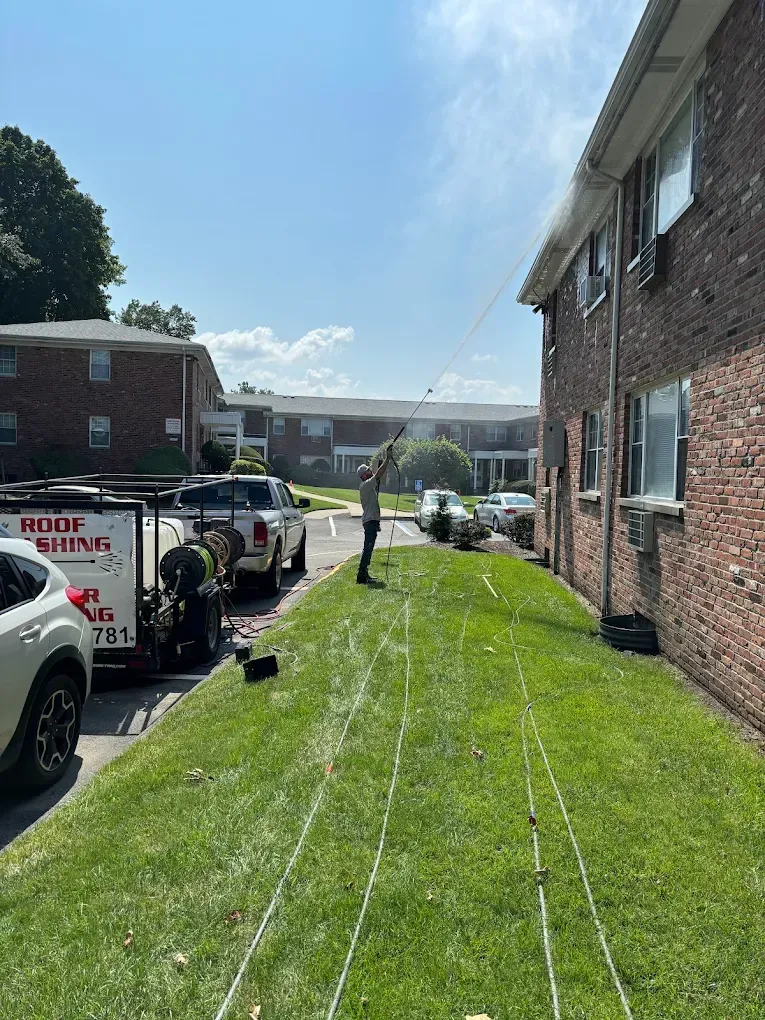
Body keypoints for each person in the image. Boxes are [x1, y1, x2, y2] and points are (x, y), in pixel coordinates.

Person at [356, 449, 392, 584]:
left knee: (369, 548)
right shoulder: (365, 486)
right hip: (369, 521)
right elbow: (378, 474)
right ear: (364, 475)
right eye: (368, 471)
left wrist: (384, 460)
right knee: (368, 548)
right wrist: (388, 459)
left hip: (371, 521)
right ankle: (361, 576)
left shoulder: (368, 486)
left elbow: (379, 474)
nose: (371, 472)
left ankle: (364, 574)